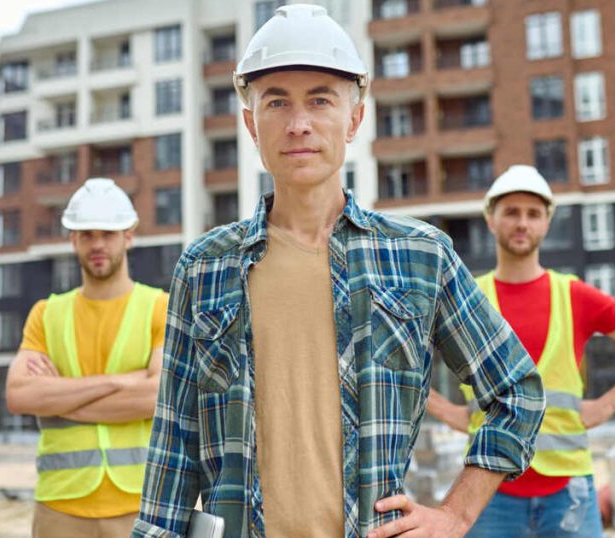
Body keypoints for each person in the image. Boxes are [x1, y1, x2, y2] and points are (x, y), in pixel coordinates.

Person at [131, 5, 544, 538]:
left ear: (354, 118)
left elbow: (517, 393)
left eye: (320, 100)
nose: (298, 123)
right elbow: (173, 446)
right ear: (251, 123)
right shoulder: (204, 267)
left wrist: (455, 514)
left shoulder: (421, 256)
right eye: (276, 102)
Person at [426, 165, 615, 537]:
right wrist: (442, 409)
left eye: (533, 214)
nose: (522, 223)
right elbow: (399, 356)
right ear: (490, 219)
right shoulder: (468, 297)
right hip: (486, 490)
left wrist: (608, 405)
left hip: (568, 493)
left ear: (547, 223)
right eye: (511, 212)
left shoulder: (574, 295)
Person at [5, 178, 170, 538]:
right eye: (87, 235)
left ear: (129, 236)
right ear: (73, 240)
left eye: (108, 234)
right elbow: (19, 395)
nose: (97, 244)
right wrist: (120, 381)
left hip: (141, 504)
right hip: (60, 506)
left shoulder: (159, 307)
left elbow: (160, 395)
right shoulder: (46, 314)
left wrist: (59, 397)